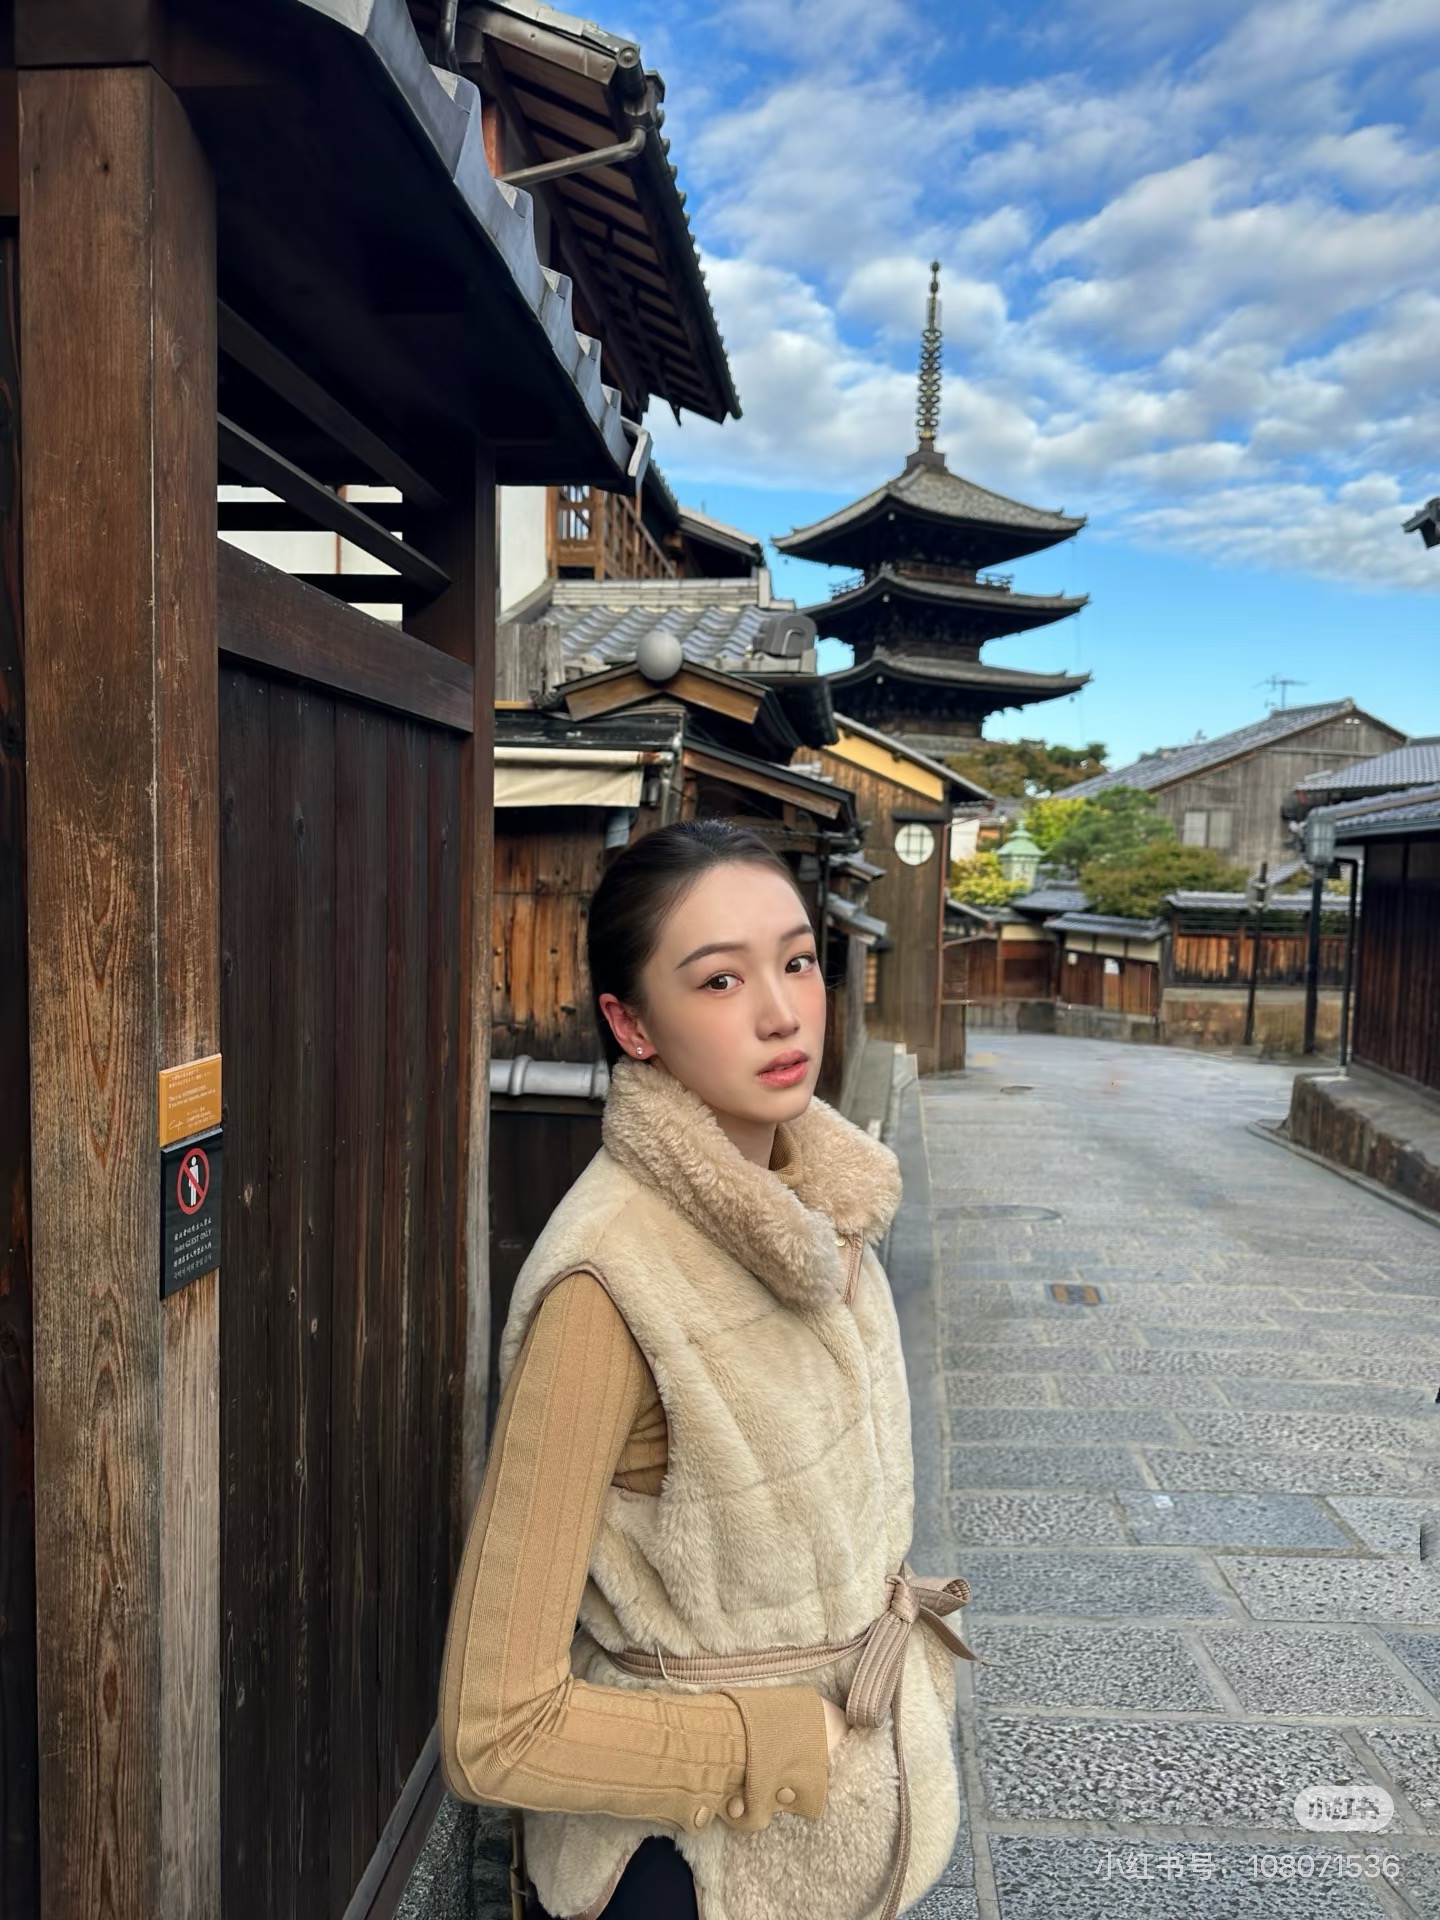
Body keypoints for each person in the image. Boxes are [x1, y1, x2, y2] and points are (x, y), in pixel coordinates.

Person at [438, 819, 978, 1920]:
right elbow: (493, 1728)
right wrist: (770, 1742)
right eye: (720, 980)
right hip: (688, 1874)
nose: (782, 1012)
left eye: (797, 962)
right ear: (631, 1023)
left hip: (849, 1828)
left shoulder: (827, 1211)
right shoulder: (607, 1284)